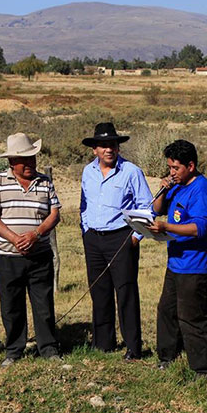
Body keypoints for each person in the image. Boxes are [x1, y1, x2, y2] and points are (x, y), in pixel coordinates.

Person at [0, 133, 62, 367]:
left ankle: (48, 347)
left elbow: (55, 213)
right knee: (11, 305)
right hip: (9, 255)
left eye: (32, 158)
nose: (30, 163)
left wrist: (35, 234)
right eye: (24, 160)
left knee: (43, 303)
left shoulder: (45, 182)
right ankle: (14, 350)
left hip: (40, 255)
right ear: (11, 162)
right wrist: (14, 238)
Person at [148, 140, 207, 379]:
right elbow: (158, 208)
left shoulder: (202, 191)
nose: (171, 172)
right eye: (169, 167)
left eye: (176, 168)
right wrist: (162, 189)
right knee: (167, 310)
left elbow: (199, 228)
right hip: (176, 262)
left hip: (195, 264)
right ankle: (168, 356)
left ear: (191, 166)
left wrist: (167, 227)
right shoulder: (176, 185)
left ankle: (204, 368)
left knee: (193, 316)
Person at [80, 122, 153, 360]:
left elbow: (146, 206)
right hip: (94, 238)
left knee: (126, 292)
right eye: (103, 146)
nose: (108, 150)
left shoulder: (131, 171)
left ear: (118, 147)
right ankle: (103, 343)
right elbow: (84, 204)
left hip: (121, 237)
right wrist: (86, 229)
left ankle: (133, 346)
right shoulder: (87, 172)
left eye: (112, 145)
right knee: (99, 292)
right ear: (95, 150)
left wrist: (136, 236)